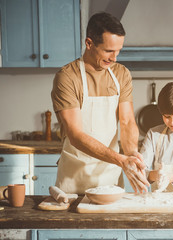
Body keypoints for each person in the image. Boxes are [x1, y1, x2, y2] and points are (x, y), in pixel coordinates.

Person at [51, 12, 149, 194]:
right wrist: (121, 160)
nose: (114, 58)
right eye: (108, 51)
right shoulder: (67, 77)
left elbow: (127, 121)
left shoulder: (121, 74)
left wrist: (132, 154)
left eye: (118, 51)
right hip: (75, 179)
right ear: (89, 43)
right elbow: (75, 135)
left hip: (110, 179)